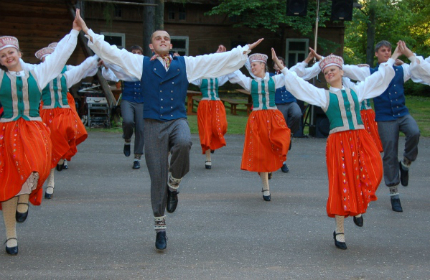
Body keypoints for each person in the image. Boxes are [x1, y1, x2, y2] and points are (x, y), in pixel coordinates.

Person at [74, 10, 263, 251]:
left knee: (184, 142)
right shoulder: (140, 64)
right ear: (151, 46)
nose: (162, 40)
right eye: (157, 38)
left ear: (170, 44)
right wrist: (88, 30)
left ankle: (174, 185)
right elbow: (113, 52)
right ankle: (160, 227)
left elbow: (212, 61)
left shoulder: (185, 64)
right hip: (153, 123)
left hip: (176, 119)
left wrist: (243, 50)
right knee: (156, 177)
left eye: (166, 38)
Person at [272, 44, 400, 249]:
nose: (329, 73)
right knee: (341, 184)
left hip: (360, 138)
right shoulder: (323, 96)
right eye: (326, 72)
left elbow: (380, 77)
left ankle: (359, 207)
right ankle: (339, 231)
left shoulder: (358, 90)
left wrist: (392, 57)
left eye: (333, 70)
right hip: (338, 142)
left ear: (342, 71)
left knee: (374, 170)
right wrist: (284, 68)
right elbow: (299, 85)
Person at [0, 15, 80, 255]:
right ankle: (11, 236)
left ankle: (25, 198)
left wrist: (74, 32)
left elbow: (60, 57)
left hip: (34, 128)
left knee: (37, 167)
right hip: (7, 130)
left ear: (19, 53)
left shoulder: (38, 73)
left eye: (11, 53)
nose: (8, 57)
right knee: (7, 182)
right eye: (3, 55)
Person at [342, 40, 422, 213]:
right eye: (383, 51)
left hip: (402, 113)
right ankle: (394, 193)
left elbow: (419, 65)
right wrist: (325, 60)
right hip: (385, 118)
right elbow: (346, 69)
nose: (387, 53)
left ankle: (406, 163)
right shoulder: (369, 72)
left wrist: (407, 54)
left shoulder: (402, 69)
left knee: (415, 132)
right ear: (377, 54)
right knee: (390, 153)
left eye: (389, 50)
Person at [32, 46, 98, 199]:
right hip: (45, 111)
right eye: (45, 60)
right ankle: (51, 180)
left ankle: (61, 157)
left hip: (63, 110)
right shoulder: (38, 73)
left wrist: (97, 61)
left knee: (63, 135)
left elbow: (85, 70)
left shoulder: (67, 70)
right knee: (47, 146)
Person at [227, 54, 291, 202]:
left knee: (282, 141)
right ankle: (266, 187)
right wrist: (233, 56)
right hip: (257, 119)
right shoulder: (250, 82)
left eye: (254, 65)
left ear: (263, 65)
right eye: (251, 65)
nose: (252, 68)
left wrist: (280, 62)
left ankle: (273, 165)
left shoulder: (275, 80)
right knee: (261, 153)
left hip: (273, 117)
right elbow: (234, 72)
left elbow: (292, 75)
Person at [190, 45, 229, 169]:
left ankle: (214, 143)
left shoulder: (219, 75)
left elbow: (228, 69)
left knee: (221, 126)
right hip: (205, 104)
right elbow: (188, 73)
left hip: (217, 103)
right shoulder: (199, 77)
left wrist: (222, 55)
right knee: (206, 130)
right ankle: (208, 158)